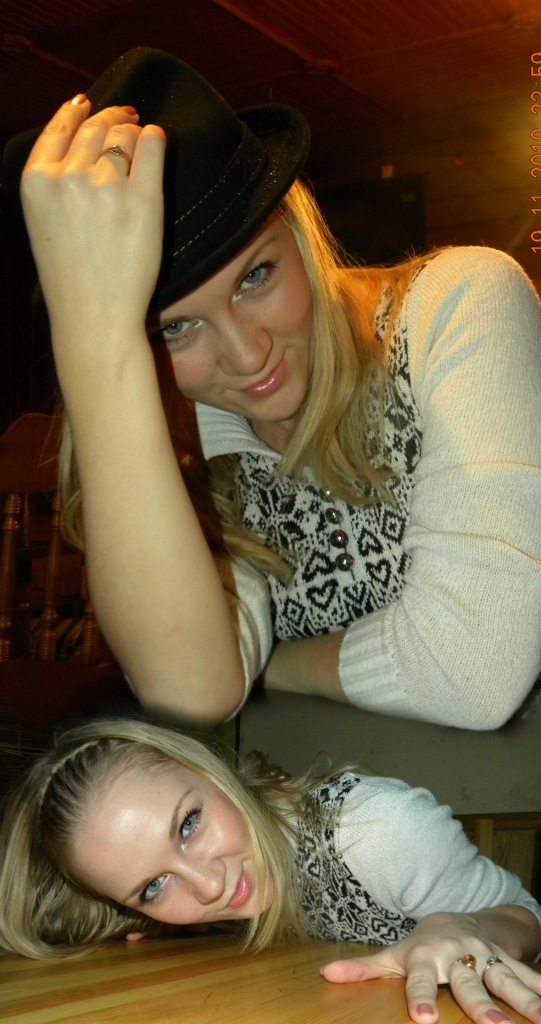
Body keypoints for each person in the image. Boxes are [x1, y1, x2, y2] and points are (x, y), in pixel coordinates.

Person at [3, 47, 541, 731]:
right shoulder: (190, 451)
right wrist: (95, 341)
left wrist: (271, 666)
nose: (247, 353)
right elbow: (188, 692)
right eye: (175, 329)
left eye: (254, 276)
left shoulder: (458, 305)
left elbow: (475, 668)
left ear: (297, 227)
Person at [1, 717, 540, 1024]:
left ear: (208, 770)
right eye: (153, 885)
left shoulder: (377, 828)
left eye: (188, 824)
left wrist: (465, 926)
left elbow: (529, 915)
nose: (209, 886)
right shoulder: (192, 907)